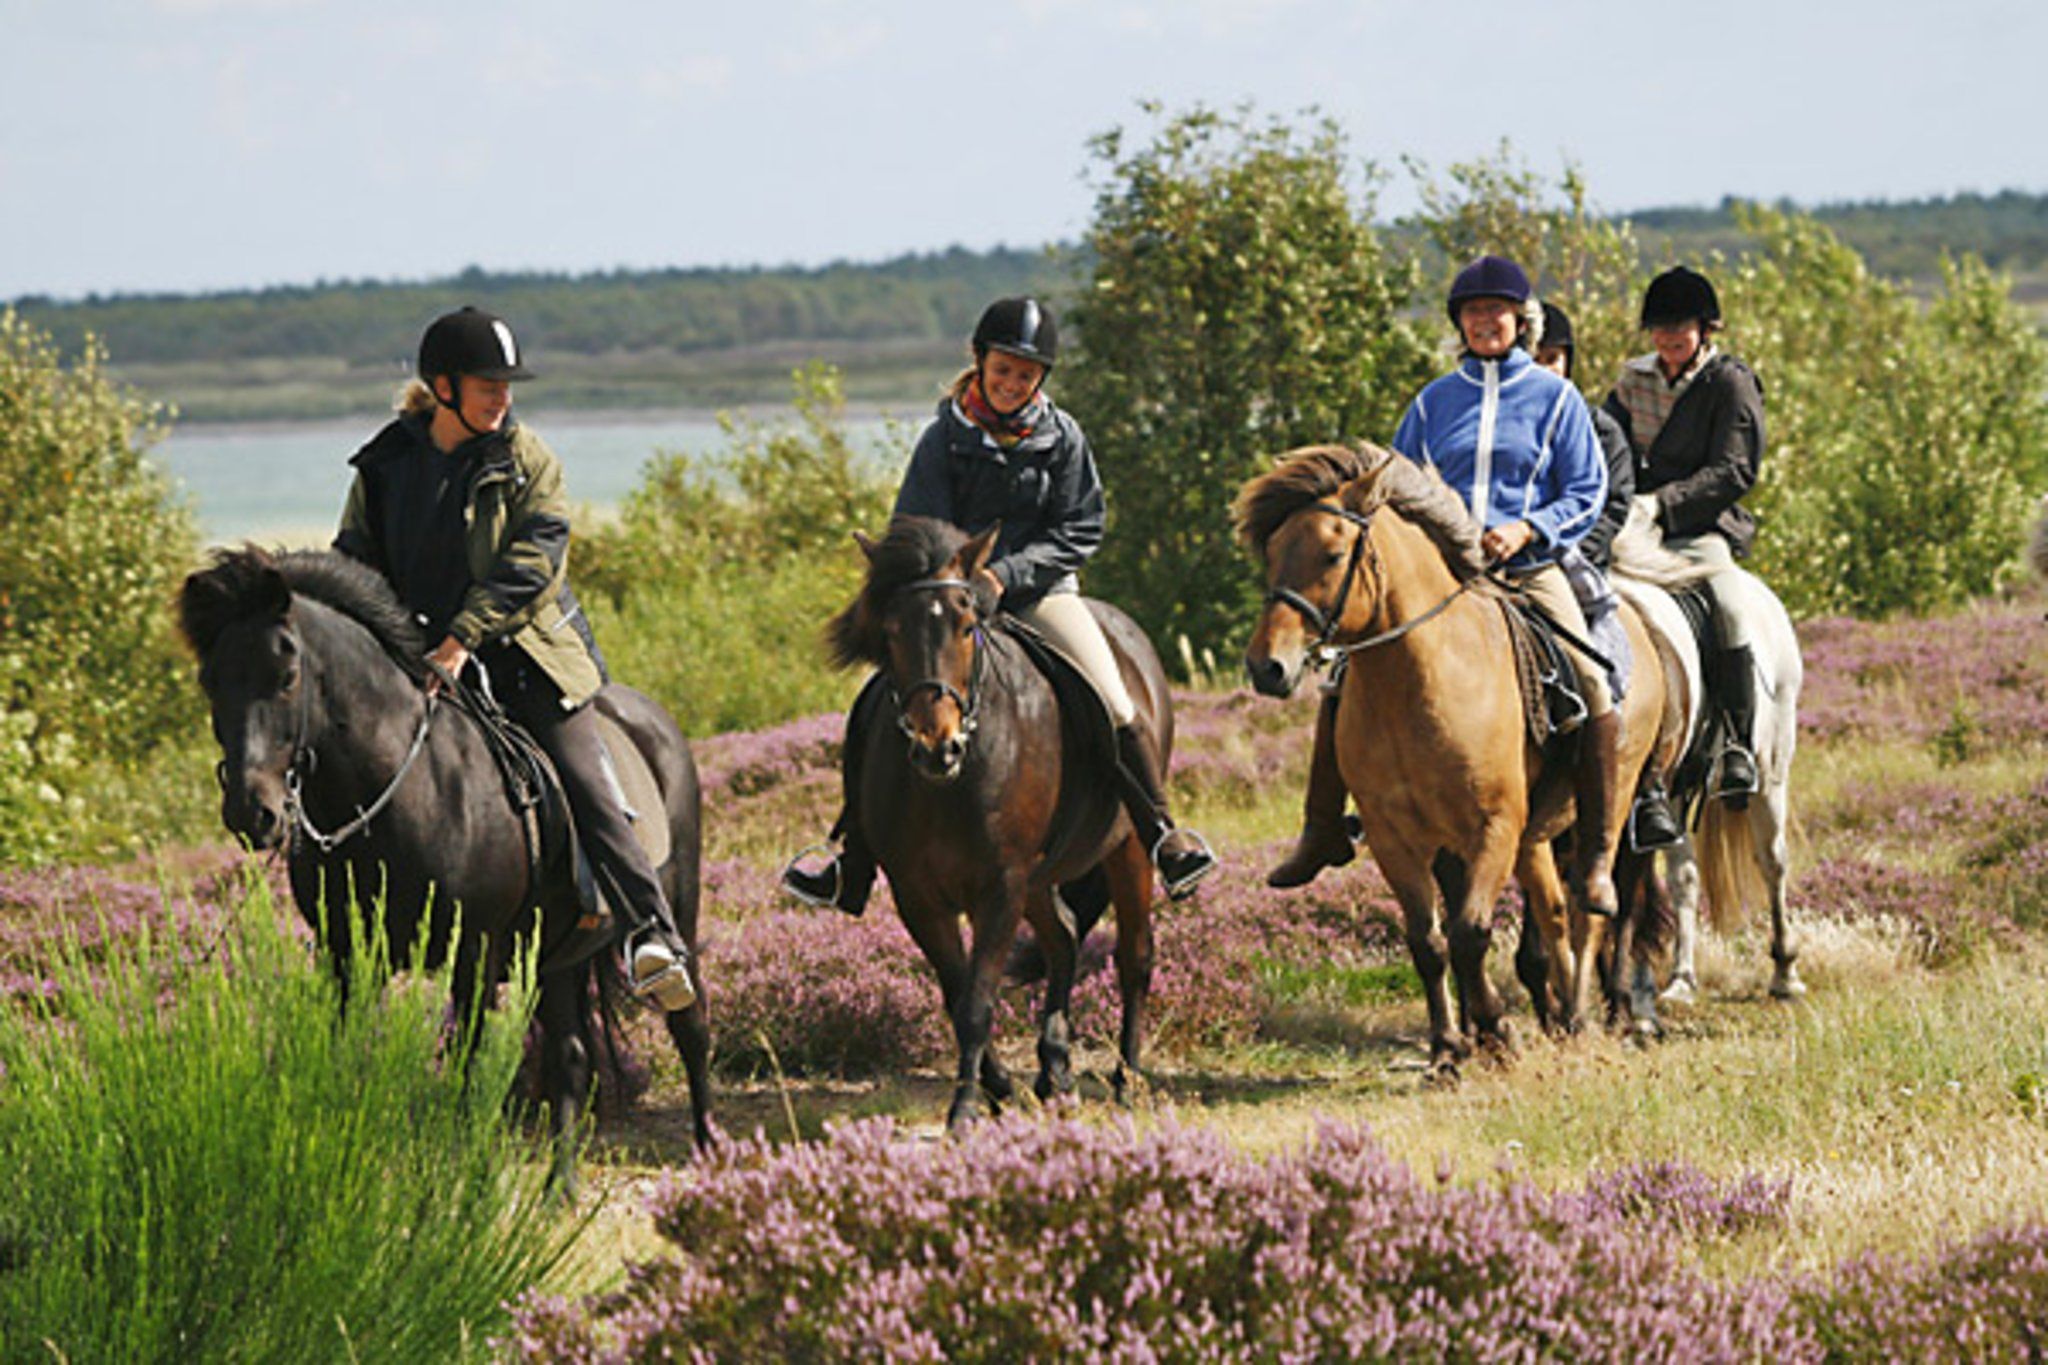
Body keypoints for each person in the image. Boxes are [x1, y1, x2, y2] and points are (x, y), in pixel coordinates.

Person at [783, 296, 1219, 914]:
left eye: (1025, 373)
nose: (1012, 383)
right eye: (1003, 369)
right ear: (979, 362)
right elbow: (915, 526)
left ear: (1040, 377)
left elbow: (1081, 527)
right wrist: (959, 580)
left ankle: (1163, 834)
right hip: (952, 601)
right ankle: (850, 862)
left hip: (1041, 595)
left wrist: (1006, 577)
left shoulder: (1063, 436)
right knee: (873, 705)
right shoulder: (943, 439)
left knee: (1116, 701)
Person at [334, 306, 695, 1010]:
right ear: (443, 387)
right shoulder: (383, 466)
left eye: (507, 384)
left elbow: (533, 563)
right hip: (416, 657)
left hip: (525, 652)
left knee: (589, 783)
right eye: (487, 384)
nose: (503, 397)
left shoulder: (528, 458)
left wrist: (462, 637)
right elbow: (353, 560)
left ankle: (652, 935)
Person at [1266, 256, 1623, 918]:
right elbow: (1395, 493)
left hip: (1527, 566)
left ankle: (1598, 856)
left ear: (1521, 320)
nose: (1485, 320)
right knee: (1342, 677)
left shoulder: (1557, 398)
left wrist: (1527, 529)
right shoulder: (1432, 401)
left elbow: (1587, 489)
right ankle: (1320, 830)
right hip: (1447, 573)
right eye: (1473, 310)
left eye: (1498, 310)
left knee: (1593, 678)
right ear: (1459, 321)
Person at [1600, 267, 1765, 801]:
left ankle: (1737, 744)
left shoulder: (1730, 383)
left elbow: (1735, 470)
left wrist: (1662, 504)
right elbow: (1606, 444)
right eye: (1662, 327)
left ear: (1705, 328)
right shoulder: (1632, 382)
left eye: (1682, 326)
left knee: (1732, 606)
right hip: (1635, 528)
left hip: (1700, 528)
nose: (1671, 336)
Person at [1535, 301, 1681, 850]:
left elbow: (1611, 506)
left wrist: (1560, 551)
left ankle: (1643, 786)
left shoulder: (1600, 429)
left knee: (1608, 660)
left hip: (1574, 565)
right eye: (1535, 356)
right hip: (1498, 563)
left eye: (1554, 357)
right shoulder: (1502, 423)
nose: (1545, 368)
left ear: (1569, 362)